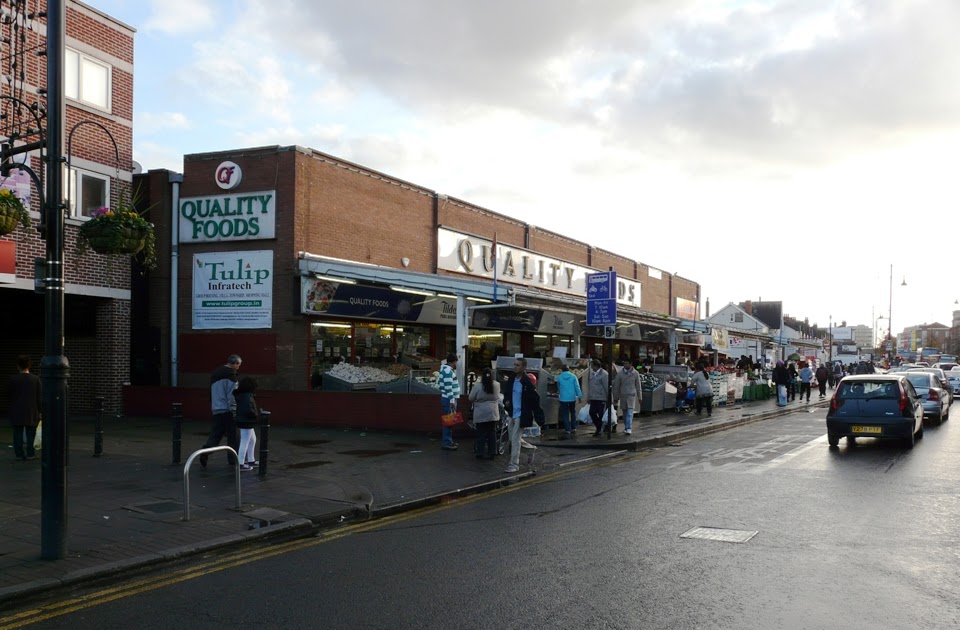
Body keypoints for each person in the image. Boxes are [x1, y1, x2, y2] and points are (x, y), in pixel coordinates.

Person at [200, 354, 242, 468]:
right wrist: (234, 411)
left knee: (216, 434)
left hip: (217, 409)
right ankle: (233, 460)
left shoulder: (215, 374)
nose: (239, 367)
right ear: (235, 364)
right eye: (239, 365)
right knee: (234, 436)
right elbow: (232, 395)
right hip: (227, 410)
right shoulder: (231, 376)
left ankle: (205, 451)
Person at [502, 357, 540, 473]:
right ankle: (530, 449)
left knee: (515, 439)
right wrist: (506, 401)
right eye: (514, 364)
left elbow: (535, 398)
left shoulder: (527, 382)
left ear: (523, 367)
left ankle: (514, 464)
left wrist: (535, 414)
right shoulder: (512, 379)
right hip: (512, 412)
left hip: (521, 414)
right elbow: (507, 393)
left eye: (517, 365)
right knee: (512, 438)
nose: (515, 367)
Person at [7, 355, 41, 461]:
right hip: (31, 411)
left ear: (18, 366)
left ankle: (19, 454)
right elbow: (39, 397)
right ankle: (30, 454)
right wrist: (41, 411)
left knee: (17, 434)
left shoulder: (13, 379)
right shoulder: (36, 379)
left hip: (16, 410)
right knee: (31, 434)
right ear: (29, 366)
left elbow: (9, 395)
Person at [469, 367, 501, 459]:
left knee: (481, 433)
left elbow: (471, 398)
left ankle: (480, 452)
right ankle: (492, 452)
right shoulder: (497, 385)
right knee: (492, 432)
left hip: (481, 412)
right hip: (493, 412)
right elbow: (498, 396)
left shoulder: (478, 386)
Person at [234, 376, 259, 470]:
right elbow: (248, 409)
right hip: (247, 421)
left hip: (244, 420)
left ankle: (251, 460)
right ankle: (240, 463)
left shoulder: (243, 395)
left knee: (252, 439)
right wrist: (255, 414)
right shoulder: (246, 396)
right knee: (245, 441)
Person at [438, 353, 461, 451]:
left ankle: (449, 441)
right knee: (448, 421)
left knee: (450, 420)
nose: (457, 364)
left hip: (447, 399)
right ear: (453, 361)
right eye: (456, 362)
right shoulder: (448, 371)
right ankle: (447, 442)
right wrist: (452, 399)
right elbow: (448, 387)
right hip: (449, 399)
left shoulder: (445, 369)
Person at [613, 359, 642, 435]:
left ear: (631, 364)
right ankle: (626, 427)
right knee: (625, 412)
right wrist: (616, 397)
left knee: (630, 412)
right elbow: (617, 386)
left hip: (631, 395)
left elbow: (638, 386)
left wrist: (640, 397)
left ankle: (628, 428)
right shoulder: (620, 374)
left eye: (627, 363)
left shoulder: (636, 373)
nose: (625, 365)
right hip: (622, 395)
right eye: (624, 363)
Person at [556, 364, 582, 438]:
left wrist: (560, 392)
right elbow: (577, 387)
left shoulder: (560, 377)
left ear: (562, 370)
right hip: (572, 398)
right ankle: (573, 427)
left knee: (565, 413)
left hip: (563, 398)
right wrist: (579, 396)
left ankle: (567, 429)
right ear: (569, 369)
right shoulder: (573, 376)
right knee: (573, 412)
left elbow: (558, 386)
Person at [587, 359, 609, 437]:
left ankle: (599, 430)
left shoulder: (604, 374)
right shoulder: (592, 374)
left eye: (592, 365)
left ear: (596, 366)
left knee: (601, 414)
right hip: (593, 397)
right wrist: (588, 397)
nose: (591, 367)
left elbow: (607, 386)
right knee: (592, 413)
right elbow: (590, 386)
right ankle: (599, 427)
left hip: (601, 398)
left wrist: (610, 398)